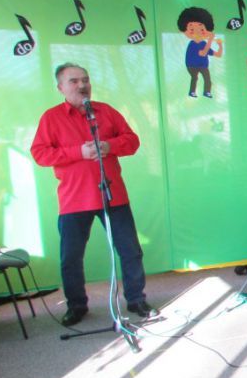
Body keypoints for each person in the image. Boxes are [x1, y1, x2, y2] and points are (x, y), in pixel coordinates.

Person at [30, 63, 157, 327]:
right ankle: (76, 306)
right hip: (74, 199)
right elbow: (40, 154)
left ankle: (136, 300)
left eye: (85, 80)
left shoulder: (106, 111)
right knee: (71, 258)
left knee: (131, 251)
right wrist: (78, 152)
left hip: (113, 195)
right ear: (60, 87)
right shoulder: (51, 118)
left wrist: (109, 146)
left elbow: (132, 141)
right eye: (74, 81)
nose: (82, 85)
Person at [177, 6, 223, 98]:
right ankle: (192, 92)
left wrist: (220, 45)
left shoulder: (203, 43)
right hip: (192, 66)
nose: (197, 32)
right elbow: (203, 53)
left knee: (207, 78)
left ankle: (207, 92)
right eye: (192, 29)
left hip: (202, 66)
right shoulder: (192, 44)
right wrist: (210, 40)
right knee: (195, 78)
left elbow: (218, 54)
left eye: (202, 29)